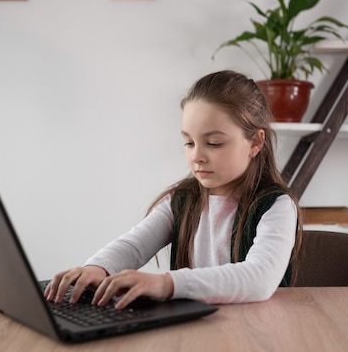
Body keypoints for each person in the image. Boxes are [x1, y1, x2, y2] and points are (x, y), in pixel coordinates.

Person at [44, 70, 302, 310]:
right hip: (195, 329)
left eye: (214, 143)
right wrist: (98, 268)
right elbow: (134, 246)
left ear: (255, 142)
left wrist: (167, 283)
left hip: (258, 331)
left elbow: (259, 278)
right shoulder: (182, 199)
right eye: (189, 142)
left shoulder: (276, 205)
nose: (197, 156)